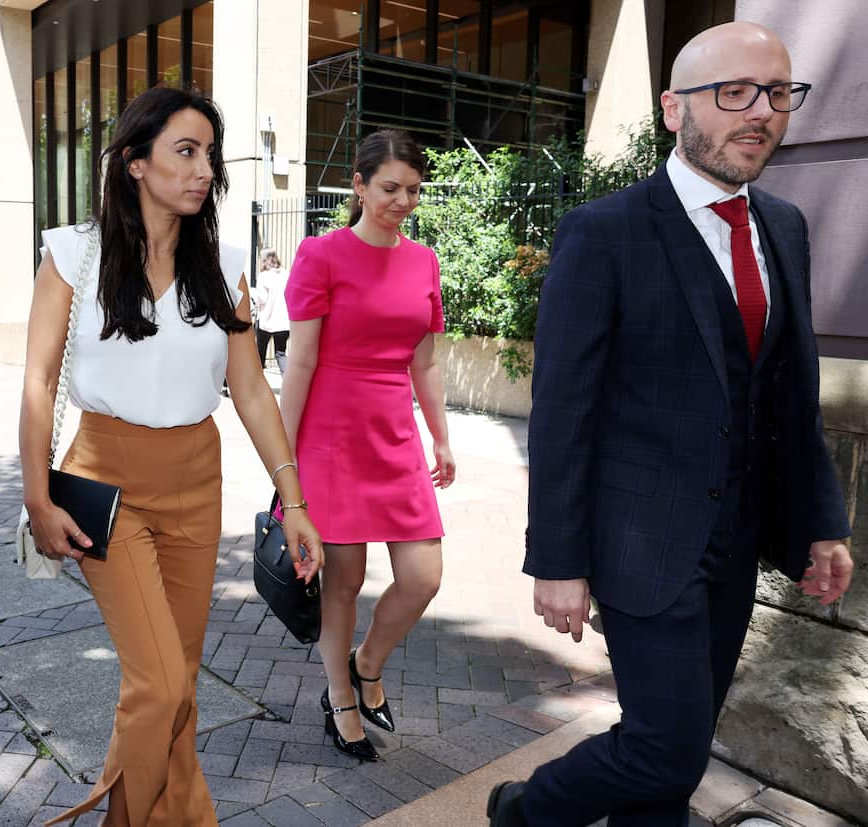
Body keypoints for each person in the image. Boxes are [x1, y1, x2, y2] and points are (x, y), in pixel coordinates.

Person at [488, 22, 853, 827]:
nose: (759, 112)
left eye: (777, 93)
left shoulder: (783, 228)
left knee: (671, 762)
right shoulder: (605, 232)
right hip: (637, 540)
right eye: (733, 93)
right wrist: (557, 560)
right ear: (671, 108)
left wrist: (822, 524)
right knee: (667, 745)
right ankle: (524, 811)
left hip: (736, 541)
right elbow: (563, 413)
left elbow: (792, 394)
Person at [20, 86, 324, 827]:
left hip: (197, 479)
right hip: (105, 482)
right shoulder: (72, 253)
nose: (203, 169)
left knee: (175, 683)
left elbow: (251, 392)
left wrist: (296, 505)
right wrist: (36, 496)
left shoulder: (222, 265)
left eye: (208, 155)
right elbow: (37, 378)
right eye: (185, 151)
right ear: (134, 162)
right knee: (159, 685)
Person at [280, 129, 456, 762]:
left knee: (422, 576)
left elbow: (425, 362)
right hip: (330, 436)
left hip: (395, 437)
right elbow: (299, 362)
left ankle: (367, 663)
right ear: (358, 186)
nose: (403, 200)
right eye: (389, 188)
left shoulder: (424, 261)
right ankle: (339, 695)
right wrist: (284, 465)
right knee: (344, 581)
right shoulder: (320, 255)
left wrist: (441, 437)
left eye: (413, 189)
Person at [251, 246, 290, 371]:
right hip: (284, 322)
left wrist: (253, 297)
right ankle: (287, 384)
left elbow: (262, 298)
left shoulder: (264, 276)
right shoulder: (286, 274)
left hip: (266, 321)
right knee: (280, 353)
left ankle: (258, 386)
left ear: (264, 260)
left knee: (260, 354)